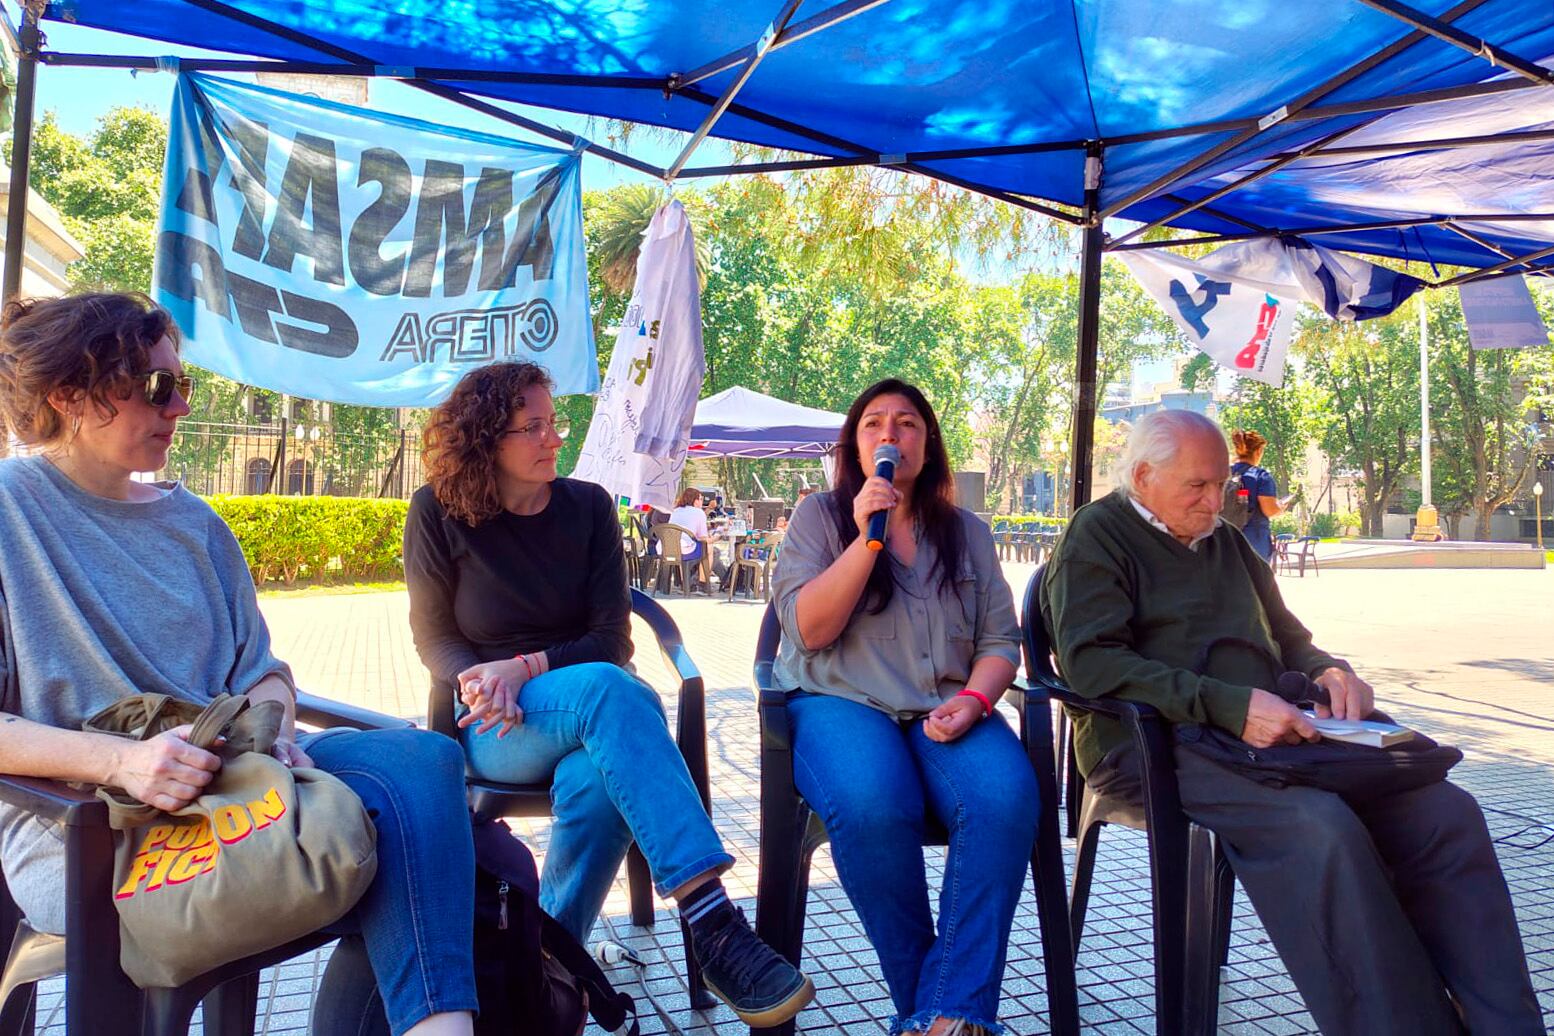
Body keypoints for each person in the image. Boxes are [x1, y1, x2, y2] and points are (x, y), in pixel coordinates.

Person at [0, 293, 478, 1036]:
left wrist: (273, 724)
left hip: (237, 779)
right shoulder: (9, 514)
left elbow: (263, 669)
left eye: (184, 384)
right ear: (69, 396)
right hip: (90, 824)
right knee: (426, 853)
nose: (181, 407)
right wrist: (123, 764)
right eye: (157, 387)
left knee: (423, 763)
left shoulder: (199, 527)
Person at [1041, 408, 1539, 1036]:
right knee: (1319, 827)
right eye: (1197, 486)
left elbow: (1288, 637)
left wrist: (1330, 672)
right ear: (1143, 476)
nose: (1215, 500)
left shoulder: (1223, 538)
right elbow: (1092, 664)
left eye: (1221, 484)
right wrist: (1229, 706)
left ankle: (1507, 1027)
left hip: (1272, 739)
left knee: (1447, 813)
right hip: (1151, 742)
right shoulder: (1098, 535)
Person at [401, 362, 812, 1028]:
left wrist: (525, 666)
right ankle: (710, 919)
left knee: (600, 769)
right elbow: (435, 639)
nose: (552, 437)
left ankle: (541, 970)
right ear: (484, 440)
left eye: (552, 422)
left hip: (582, 703)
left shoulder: (588, 507)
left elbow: (609, 638)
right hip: (493, 723)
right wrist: (483, 679)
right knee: (618, 696)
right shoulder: (437, 512)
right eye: (532, 426)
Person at [769, 378, 1038, 1036]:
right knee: (871, 800)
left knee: (1006, 796)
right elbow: (808, 630)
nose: (892, 435)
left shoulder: (968, 532)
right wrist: (867, 539)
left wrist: (976, 700)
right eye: (875, 424)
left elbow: (1002, 640)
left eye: (908, 423)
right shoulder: (818, 518)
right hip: (839, 703)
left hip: (948, 707)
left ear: (929, 443)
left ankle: (938, 1019)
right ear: (854, 445)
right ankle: (946, 1012)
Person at [1229, 428, 1295, 564]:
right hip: (1253, 539)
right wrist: (1280, 507)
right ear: (1258, 451)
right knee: (1255, 582)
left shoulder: (1223, 473)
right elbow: (1269, 510)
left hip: (1224, 537)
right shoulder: (1261, 476)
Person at [668, 485, 713, 590]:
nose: (702, 502)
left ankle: (685, 583)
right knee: (709, 547)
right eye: (701, 499)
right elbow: (702, 537)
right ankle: (703, 582)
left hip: (667, 548)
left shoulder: (675, 511)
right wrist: (715, 538)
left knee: (680, 545)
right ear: (695, 500)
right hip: (686, 549)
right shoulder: (699, 512)